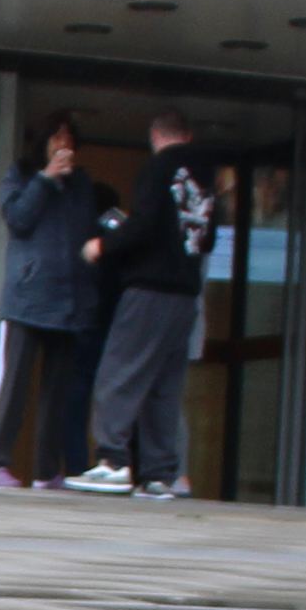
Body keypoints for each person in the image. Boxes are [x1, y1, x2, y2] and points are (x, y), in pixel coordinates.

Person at [63, 107, 216, 500]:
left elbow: (145, 224)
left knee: (119, 370)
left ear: (156, 136)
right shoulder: (204, 179)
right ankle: (160, 474)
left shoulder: (160, 168)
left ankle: (112, 461)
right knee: (164, 386)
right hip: (185, 295)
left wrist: (105, 244)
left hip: (149, 289)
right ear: (188, 135)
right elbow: (207, 238)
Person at [0, 114, 107, 488]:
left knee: (58, 394)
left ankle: (47, 470)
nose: (64, 144)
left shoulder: (82, 184)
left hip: (69, 303)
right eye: (57, 137)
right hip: (26, 300)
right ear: (44, 142)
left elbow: (88, 231)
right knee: (13, 386)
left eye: (69, 138)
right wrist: (46, 178)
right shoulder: (20, 175)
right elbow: (17, 218)